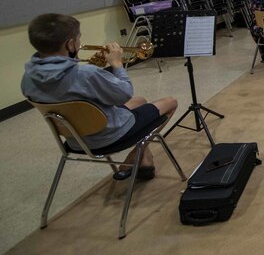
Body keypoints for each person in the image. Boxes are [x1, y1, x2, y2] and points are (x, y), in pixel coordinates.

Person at [21, 13, 177, 181]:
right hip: (111, 136)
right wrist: (117, 64)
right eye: (78, 38)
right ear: (70, 44)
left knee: (140, 101)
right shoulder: (85, 74)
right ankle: (136, 153)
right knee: (170, 102)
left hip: (75, 139)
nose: (81, 43)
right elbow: (124, 93)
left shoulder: (28, 78)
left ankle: (144, 159)